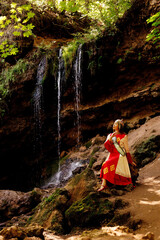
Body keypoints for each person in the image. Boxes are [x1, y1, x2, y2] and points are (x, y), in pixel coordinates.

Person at [98, 119, 136, 192]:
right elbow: (107, 146)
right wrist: (110, 140)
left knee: (107, 164)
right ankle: (104, 184)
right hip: (112, 153)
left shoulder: (124, 136)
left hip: (120, 154)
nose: (114, 125)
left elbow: (127, 150)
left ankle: (105, 184)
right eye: (114, 124)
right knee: (104, 164)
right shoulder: (110, 135)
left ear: (119, 126)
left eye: (115, 124)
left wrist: (130, 161)